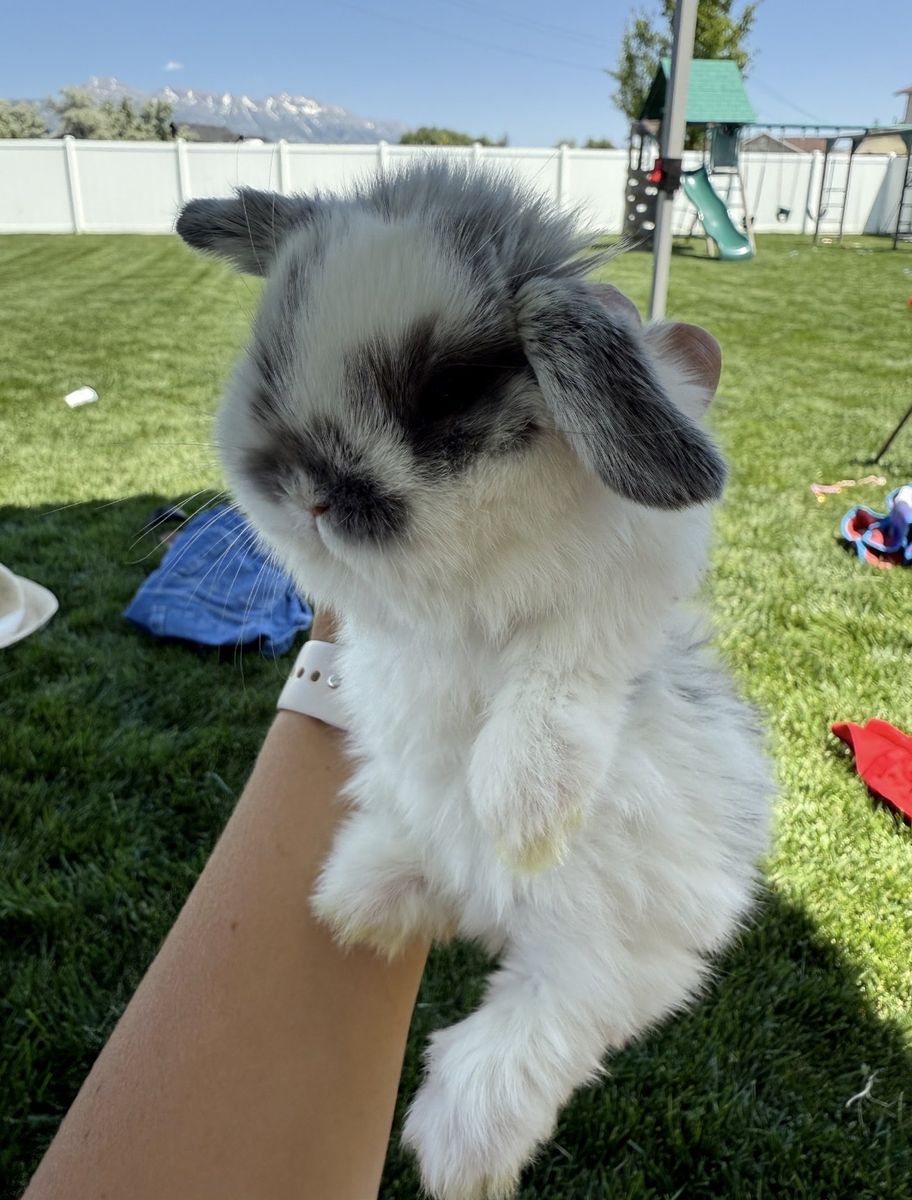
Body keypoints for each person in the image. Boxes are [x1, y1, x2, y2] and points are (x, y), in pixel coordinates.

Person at [22, 297, 721, 1200]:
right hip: (420, 724)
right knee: (401, 825)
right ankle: (427, 851)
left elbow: (636, 566)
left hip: (608, 762)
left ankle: (541, 1017)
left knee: (588, 827)